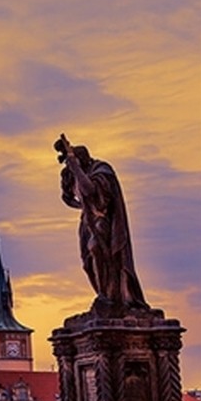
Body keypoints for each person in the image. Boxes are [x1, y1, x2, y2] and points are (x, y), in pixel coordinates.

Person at [56, 134, 149, 313]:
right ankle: (103, 293)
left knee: (96, 248)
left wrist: (75, 168)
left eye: (74, 162)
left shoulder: (101, 170)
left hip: (104, 219)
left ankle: (110, 297)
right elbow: (66, 196)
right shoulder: (72, 173)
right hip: (88, 221)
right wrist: (82, 207)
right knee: (87, 262)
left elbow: (89, 190)